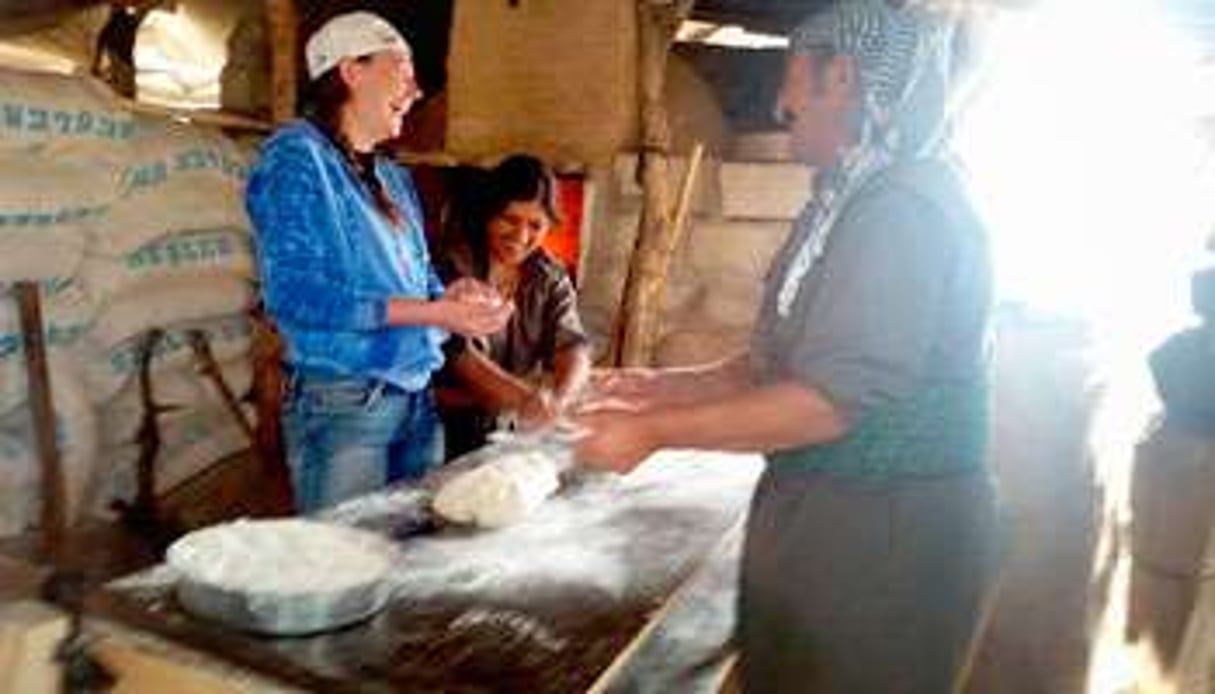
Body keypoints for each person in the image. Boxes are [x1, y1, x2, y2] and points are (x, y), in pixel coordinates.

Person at [574, 1, 1000, 691]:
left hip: (885, 535)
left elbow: (825, 402)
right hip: (830, 516)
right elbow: (769, 365)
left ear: (841, 78)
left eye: (792, 78)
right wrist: (656, 387)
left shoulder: (903, 209)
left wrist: (652, 432)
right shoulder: (844, 202)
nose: (779, 101)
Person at [245, 12, 511, 513]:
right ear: (351, 70)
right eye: (403, 71)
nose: (414, 92)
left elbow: (419, 277)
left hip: (415, 399)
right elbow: (295, 295)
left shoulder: (392, 177)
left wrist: (451, 297)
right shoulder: (296, 156)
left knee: (401, 559)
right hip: (344, 404)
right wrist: (435, 315)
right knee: (342, 573)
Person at [436, 154, 592, 458]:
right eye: (510, 219)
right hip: (436, 425)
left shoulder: (548, 277)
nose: (521, 236)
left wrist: (560, 400)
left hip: (502, 424)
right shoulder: (452, 266)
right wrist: (528, 401)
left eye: (536, 225)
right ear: (488, 214)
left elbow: (573, 346)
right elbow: (458, 354)